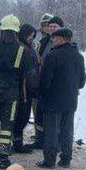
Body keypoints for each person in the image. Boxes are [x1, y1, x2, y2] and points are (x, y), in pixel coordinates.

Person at [0, 15, 34, 167]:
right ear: (16, 30)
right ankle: (3, 156)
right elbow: (29, 73)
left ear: (1, 28)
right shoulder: (23, 50)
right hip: (11, 93)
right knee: (7, 125)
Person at [37, 27, 86, 168]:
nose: (52, 40)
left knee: (51, 131)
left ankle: (49, 160)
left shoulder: (53, 56)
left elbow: (45, 81)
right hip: (71, 100)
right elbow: (82, 82)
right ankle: (66, 159)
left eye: (55, 38)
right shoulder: (78, 56)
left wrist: (41, 94)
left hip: (53, 100)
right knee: (67, 130)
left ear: (62, 39)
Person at [33, 15, 63, 148]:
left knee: (55, 116)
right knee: (39, 113)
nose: (51, 28)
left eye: (54, 26)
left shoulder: (65, 42)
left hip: (57, 84)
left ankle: (56, 142)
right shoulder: (43, 42)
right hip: (42, 82)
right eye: (49, 26)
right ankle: (40, 139)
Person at [10, 23, 41, 152]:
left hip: (29, 87)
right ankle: (16, 143)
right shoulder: (20, 47)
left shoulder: (29, 47)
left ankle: (17, 142)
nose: (31, 38)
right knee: (20, 116)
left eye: (33, 36)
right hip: (22, 88)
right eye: (30, 36)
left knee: (24, 116)